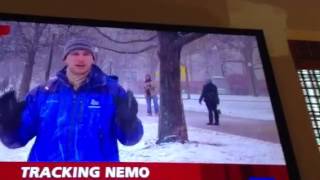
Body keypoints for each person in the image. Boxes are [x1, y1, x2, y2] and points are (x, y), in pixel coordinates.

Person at [0, 38, 143, 162]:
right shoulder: (43, 93)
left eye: (86, 54)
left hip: (96, 173)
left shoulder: (112, 92)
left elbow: (130, 140)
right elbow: (15, 141)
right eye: (75, 53)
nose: (80, 58)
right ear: (65, 58)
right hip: (48, 173)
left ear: (93, 58)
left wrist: (129, 122)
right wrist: (9, 124)